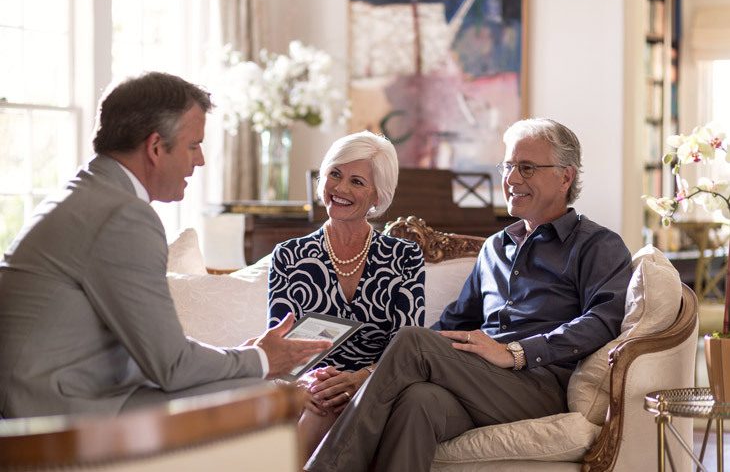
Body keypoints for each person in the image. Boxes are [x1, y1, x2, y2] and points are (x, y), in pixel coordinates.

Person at [304, 118, 633, 471]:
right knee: (419, 401)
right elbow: (452, 323)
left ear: (565, 177)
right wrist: (372, 372)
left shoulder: (598, 245)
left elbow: (604, 320)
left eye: (527, 168)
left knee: (412, 341)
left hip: (542, 386)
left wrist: (517, 352)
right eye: (508, 166)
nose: (511, 179)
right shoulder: (496, 248)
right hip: (482, 381)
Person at [0, 72, 330, 418]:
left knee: (248, 381)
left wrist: (240, 359)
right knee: (263, 393)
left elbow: (153, 352)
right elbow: (171, 366)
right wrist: (263, 359)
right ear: (156, 148)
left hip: (45, 398)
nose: (199, 160)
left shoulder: (86, 194)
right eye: (193, 145)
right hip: (50, 420)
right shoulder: (123, 217)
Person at [267, 130, 426, 459]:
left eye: (357, 182)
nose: (340, 189)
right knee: (324, 399)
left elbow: (406, 348)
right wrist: (306, 384)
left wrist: (358, 379)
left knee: (331, 402)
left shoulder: (404, 257)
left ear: (377, 196)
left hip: (377, 387)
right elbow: (279, 349)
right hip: (310, 390)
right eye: (334, 174)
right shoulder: (289, 256)